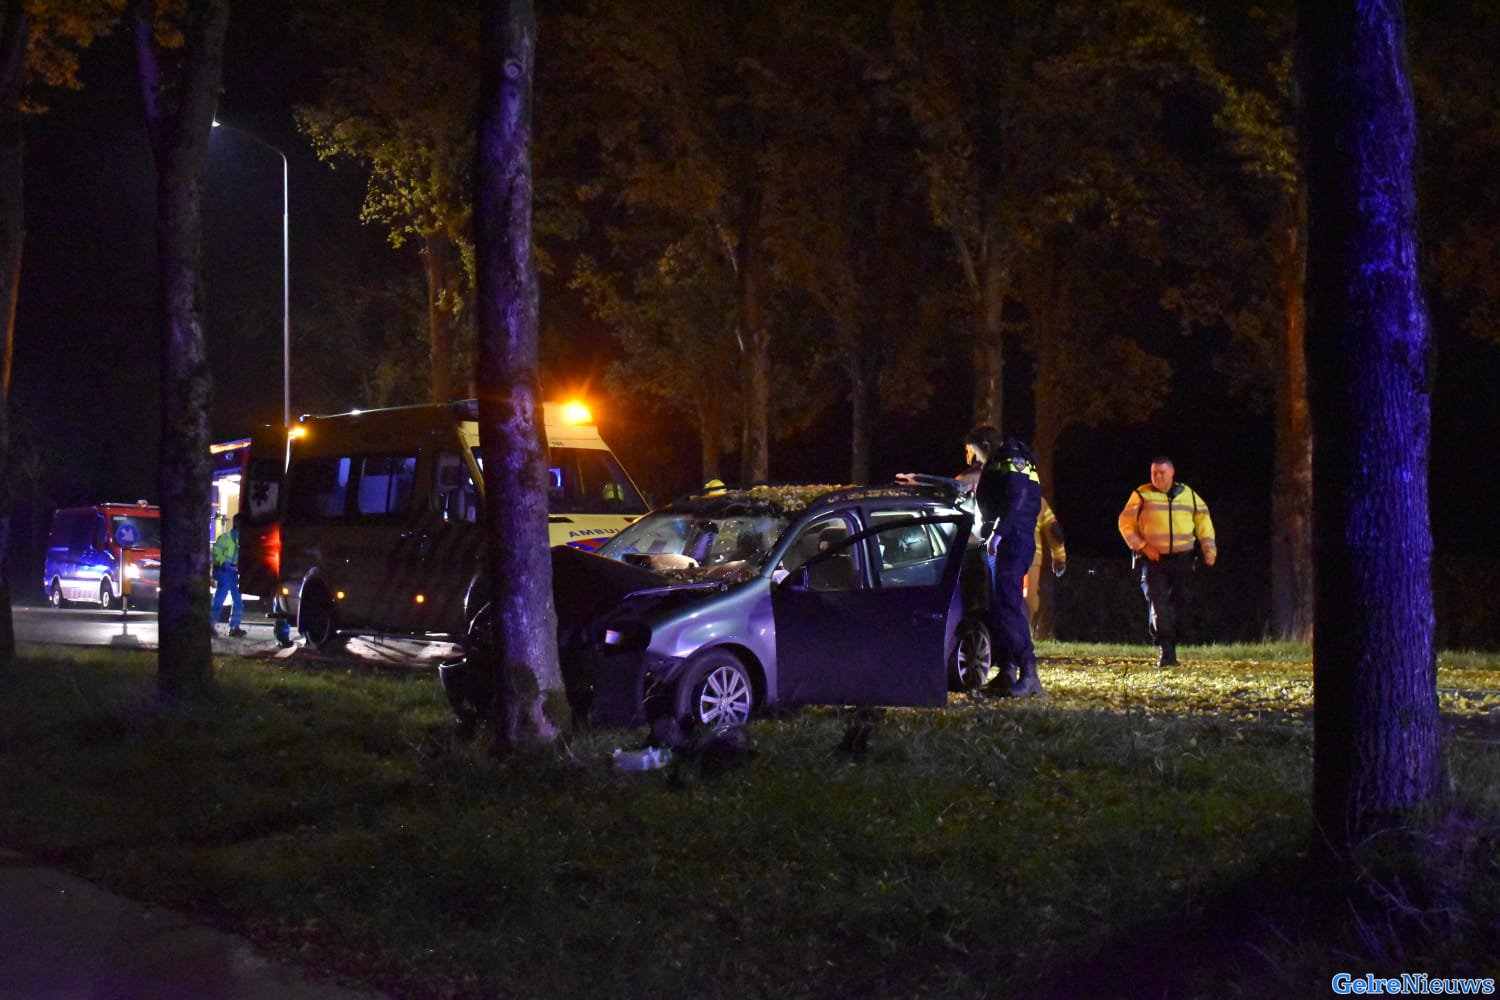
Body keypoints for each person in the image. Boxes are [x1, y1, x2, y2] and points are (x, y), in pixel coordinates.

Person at [1117, 457, 1217, 667]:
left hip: (1183, 559)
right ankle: (1166, 651)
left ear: (1172, 473)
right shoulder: (1141, 495)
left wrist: (1209, 549)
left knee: (1181, 604)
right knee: (1158, 604)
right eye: (1154, 473)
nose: (1158, 477)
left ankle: (1173, 643)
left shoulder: (1188, 495)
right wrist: (1143, 546)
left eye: (1162, 473)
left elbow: (1203, 521)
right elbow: (1125, 523)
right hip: (1154, 560)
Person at [967, 424, 1043, 697]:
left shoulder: (1013, 460)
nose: (976, 459)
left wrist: (998, 534)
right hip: (1007, 539)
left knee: (1009, 606)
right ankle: (1008, 671)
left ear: (985, 446)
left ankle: (1029, 672)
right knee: (999, 606)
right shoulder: (1003, 460)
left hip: (1014, 541)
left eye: (976, 452)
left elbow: (1018, 499)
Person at [1027, 496, 1067, 636]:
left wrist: (1059, 558)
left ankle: (1024, 636)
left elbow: (1054, 530)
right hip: (1021, 558)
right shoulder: (1038, 500)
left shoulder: (1038, 500)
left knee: (1028, 601)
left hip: (1029, 560)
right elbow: (1054, 530)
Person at [211, 513, 246, 638]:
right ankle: (211, 626)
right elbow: (215, 553)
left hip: (233, 573)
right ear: (237, 523)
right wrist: (225, 563)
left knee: (237, 601)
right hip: (224, 572)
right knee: (219, 600)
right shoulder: (225, 538)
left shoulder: (240, 539)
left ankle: (234, 627)